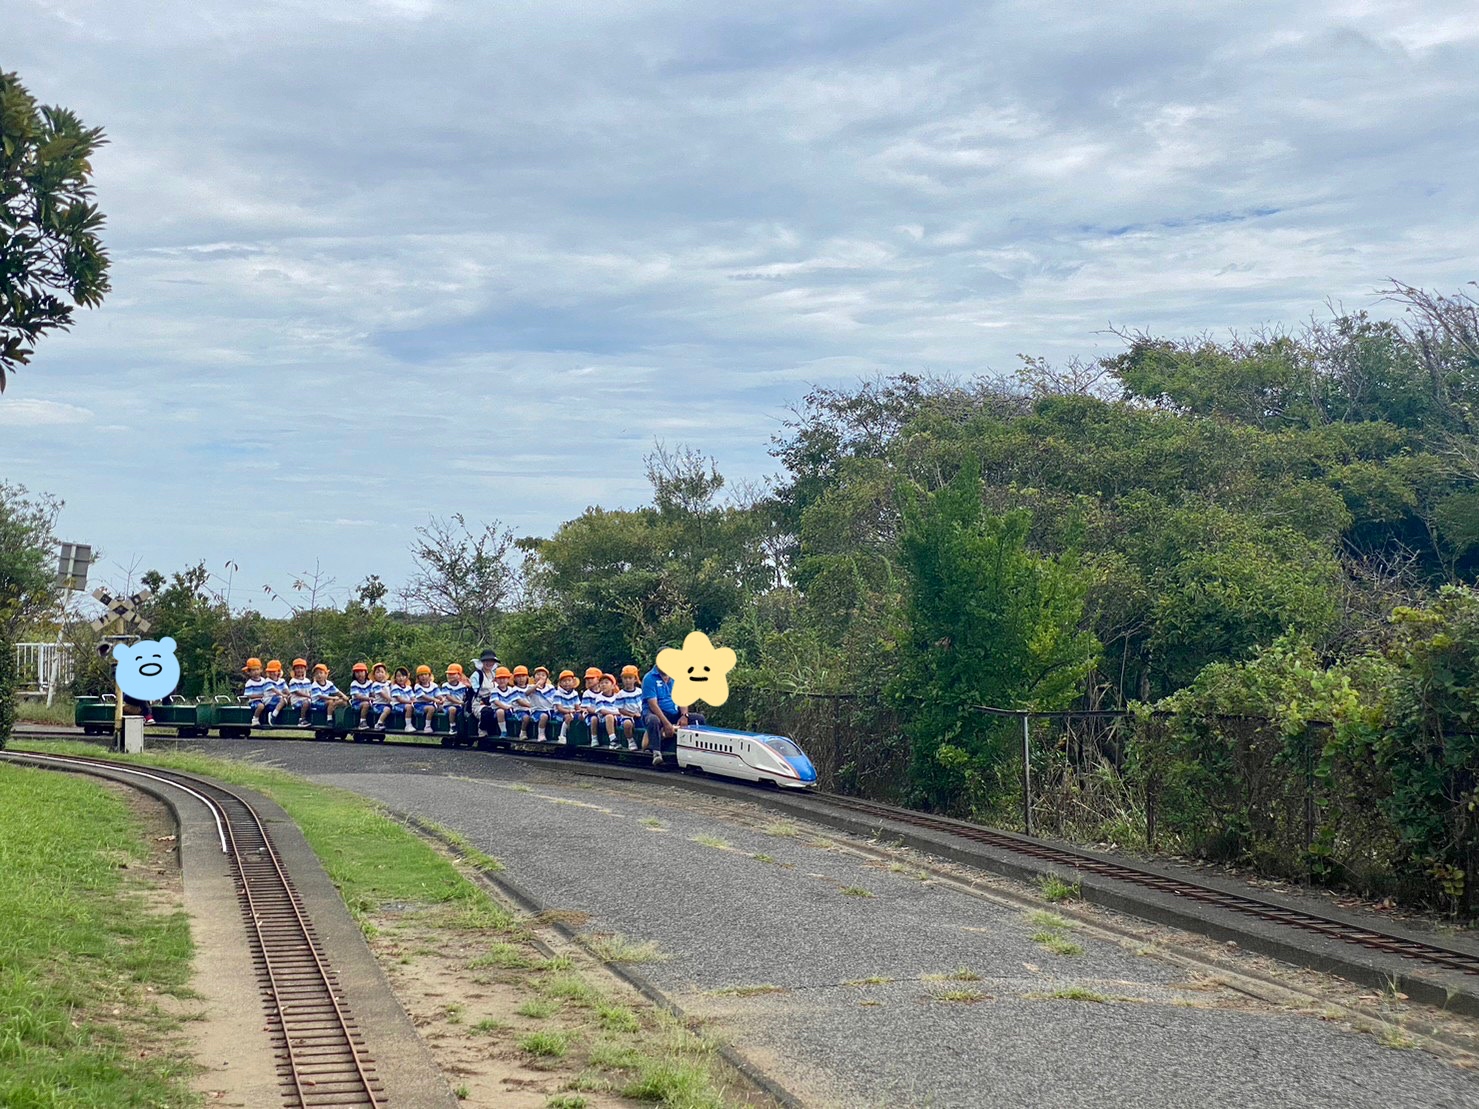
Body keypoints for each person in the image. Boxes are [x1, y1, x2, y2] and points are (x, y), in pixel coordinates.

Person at [642, 659, 704, 766]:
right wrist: (666, 724)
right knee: (653, 720)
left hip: (675, 712)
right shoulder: (649, 678)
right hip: (657, 713)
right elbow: (653, 705)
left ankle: (696, 752)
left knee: (699, 719)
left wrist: (685, 716)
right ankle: (656, 752)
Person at [615, 665, 645, 751]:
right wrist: (632, 714)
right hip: (628, 716)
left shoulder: (640, 691)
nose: (627, 680)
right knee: (627, 724)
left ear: (635, 679)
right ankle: (630, 740)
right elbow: (620, 709)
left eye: (630, 678)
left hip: (640, 714)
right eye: (625, 678)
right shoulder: (621, 694)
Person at [549, 669, 581, 745]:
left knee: (580, 717)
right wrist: (569, 711)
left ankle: (577, 737)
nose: (567, 683)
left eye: (569, 680)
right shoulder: (558, 693)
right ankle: (562, 735)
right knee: (568, 717)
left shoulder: (574, 693)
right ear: (560, 683)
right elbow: (559, 708)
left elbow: (577, 706)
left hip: (572, 712)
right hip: (560, 714)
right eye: (564, 681)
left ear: (573, 682)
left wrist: (580, 711)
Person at [525, 665, 556, 742]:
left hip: (551, 710)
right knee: (544, 716)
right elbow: (526, 693)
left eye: (543, 675)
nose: (540, 677)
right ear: (534, 677)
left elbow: (555, 698)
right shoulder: (531, 687)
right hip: (537, 711)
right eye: (538, 674)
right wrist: (536, 686)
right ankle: (541, 734)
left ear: (546, 678)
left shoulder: (550, 687)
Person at [580, 667, 606, 748]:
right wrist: (599, 712)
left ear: (598, 679)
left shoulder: (604, 692)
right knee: (594, 719)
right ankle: (594, 738)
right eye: (587, 679)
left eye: (591, 678)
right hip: (592, 714)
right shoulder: (587, 693)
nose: (589, 680)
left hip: (604, 713)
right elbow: (588, 708)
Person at [439, 664, 469, 732]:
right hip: (448, 706)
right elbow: (448, 697)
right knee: (452, 709)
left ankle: (463, 730)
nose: (450, 676)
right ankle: (452, 726)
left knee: (465, 714)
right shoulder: (445, 685)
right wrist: (459, 702)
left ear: (459, 675)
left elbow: (466, 696)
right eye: (448, 674)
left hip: (459, 706)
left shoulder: (463, 686)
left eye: (452, 674)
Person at [597, 673, 624, 748]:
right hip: (603, 720)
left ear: (613, 686)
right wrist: (615, 713)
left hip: (618, 717)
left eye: (606, 682)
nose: (603, 685)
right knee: (609, 716)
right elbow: (602, 711)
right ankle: (613, 740)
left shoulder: (617, 696)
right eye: (601, 683)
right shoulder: (599, 697)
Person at [413, 665, 441, 733]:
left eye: (425, 674)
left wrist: (442, 699)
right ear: (418, 677)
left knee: (443, 707)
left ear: (429, 675)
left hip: (431, 704)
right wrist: (434, 700)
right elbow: (423, 696)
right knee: (431, 708)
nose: (423, 677)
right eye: (421, 675)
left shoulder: (433, 685)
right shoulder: (417, 686)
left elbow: (438, 694)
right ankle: (427, 726)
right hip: (420, 705)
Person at [286, 658, 314, 727]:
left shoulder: (307, 680)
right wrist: (308, 696)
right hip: (297, 701)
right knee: (306, 702)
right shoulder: (293, 681)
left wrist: (312, 696)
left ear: (305, 669)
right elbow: (296, 692)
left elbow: (310, 691)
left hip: (307, 699)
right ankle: (301, 720)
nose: (299, 670)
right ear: (294, 670)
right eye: (297, 668)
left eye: (301, 668)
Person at [389, 666, 417, 732]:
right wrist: (410, 702)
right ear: (395, 678)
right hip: (397, 705)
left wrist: (414, 701)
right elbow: (400, 699)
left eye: (403, 676)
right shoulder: (395, 687)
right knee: (409, 707)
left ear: (407, 677)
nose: (401, 678)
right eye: (398, 676)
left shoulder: (408, 687)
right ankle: (408, 725)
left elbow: (413, 697)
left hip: (406, 704)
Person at [348, 662, 375, 728]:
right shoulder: (354, 684)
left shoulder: (370, 682)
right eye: (357, 672)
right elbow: (358, 696)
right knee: (366, 704)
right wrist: (369, 699)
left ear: (366, 672)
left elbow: (372, 693)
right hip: (357, 703)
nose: (359, 674)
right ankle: (362, 722)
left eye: (361, 672)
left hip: (369, 701)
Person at [369, 663, 395, 730]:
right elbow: (382, 694)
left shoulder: (388, 683)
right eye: (377, 672)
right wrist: (391, 700)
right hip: (378, 704)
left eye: (382, 672)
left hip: (387, 704)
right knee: (387, 709)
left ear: (385, 674)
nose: (380, 674)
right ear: (374, 675)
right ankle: (379, 723)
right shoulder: (376, 684)